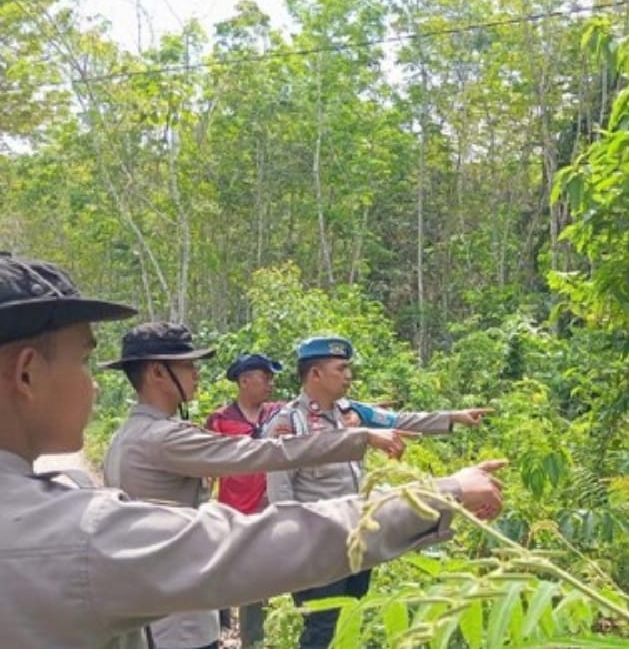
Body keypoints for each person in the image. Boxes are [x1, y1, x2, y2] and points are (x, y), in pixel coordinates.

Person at [0, 253, 506, 648]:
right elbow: (258, 508)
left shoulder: (95, 472)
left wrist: (416, 427)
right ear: (26, 373)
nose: (91, 386)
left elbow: (396, 420)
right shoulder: (97, 505)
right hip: (178, 612)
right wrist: (442, 494)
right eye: (84, 361)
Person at [98, 323, 456, 649]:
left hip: (161, 603)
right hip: (177, 619)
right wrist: (359, 438)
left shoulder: (130, 435)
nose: (197, 374)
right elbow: (263, 453)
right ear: (158, 372)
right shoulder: (163, 438)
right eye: (188, 366)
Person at [261, 336, 488, 649]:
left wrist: (453, 417)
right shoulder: (289, 423)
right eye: (340, 369)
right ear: (315, 374)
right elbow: (281, 493)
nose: (349, 375)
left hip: (357, 537)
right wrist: (293, 546)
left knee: (351, 614)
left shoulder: (351, 413)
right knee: (321, 625)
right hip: (318, 543)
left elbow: (398, 420)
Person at [204, 353, 287, 647]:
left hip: (267, 510)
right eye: (264, 377)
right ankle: (215, 628)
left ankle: (253, 639)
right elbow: (206, 467)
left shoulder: (279, 414)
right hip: (231, 512)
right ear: (244, 381)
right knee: (223, 573)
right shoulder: (220, 420)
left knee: (258, 579)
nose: (270, 383)